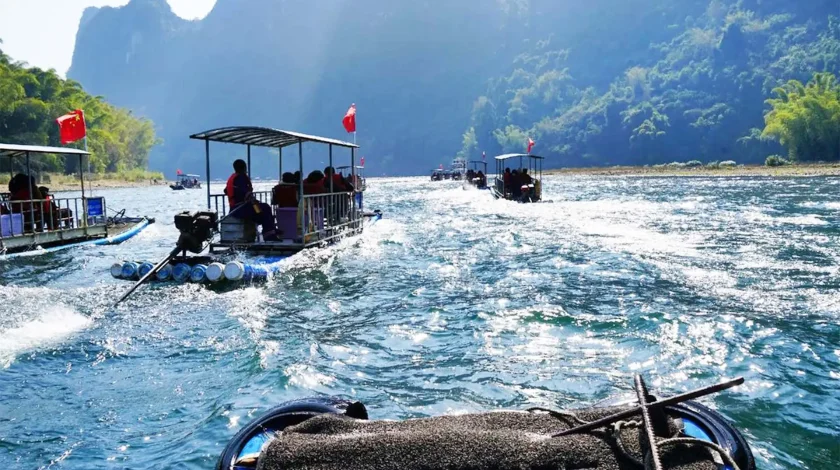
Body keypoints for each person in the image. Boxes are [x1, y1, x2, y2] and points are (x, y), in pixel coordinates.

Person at [224, 159, 278, 241]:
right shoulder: (241, 178)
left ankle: (271, 229)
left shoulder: (233, 178)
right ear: (244, 168)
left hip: (235, 208)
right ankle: (269, 234)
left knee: (261, 209)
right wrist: (252, 199)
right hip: (240, 209)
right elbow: (245, 194)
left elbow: (226, 191)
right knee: (265, 208)